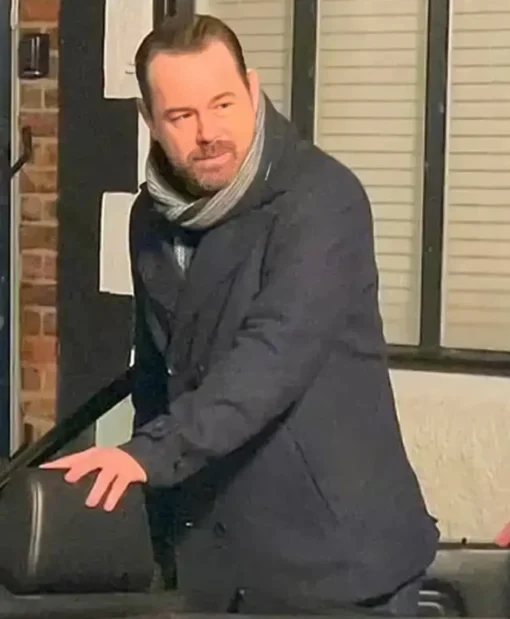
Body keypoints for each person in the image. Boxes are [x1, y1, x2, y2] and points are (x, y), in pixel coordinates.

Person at [43, 13, 439, 616]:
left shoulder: (320, 200)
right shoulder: (150, 219)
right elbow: (157, 375)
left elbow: (269, 361)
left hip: (338, 564)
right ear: (150, 120)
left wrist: (147, 455)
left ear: (252, 89)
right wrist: (152, 518)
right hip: (217, 565)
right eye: (182, 116)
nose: (208, 132)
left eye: (223, 104)